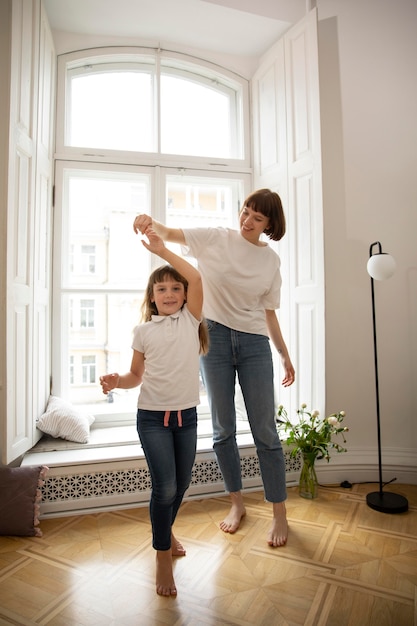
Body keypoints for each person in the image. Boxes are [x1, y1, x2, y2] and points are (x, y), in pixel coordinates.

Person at [133, 188, 295, 548]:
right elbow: (169, 233)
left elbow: (269, 313)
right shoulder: (216, 239)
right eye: (245, 211)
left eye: (257, 218)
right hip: (215, 340)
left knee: (265, 432)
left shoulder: (271, 262)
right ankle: (236, 504)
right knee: (223, 429)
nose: (246, 221)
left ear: (270, 224)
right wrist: (147, 222)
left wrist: (283, 354)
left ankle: (279, 512)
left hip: (254, 343)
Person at [100, 227, 208, 597]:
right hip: (153, 420)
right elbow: (135, 376)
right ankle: (162, 554)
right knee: (164, 488)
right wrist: (117, 381)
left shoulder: (192, 322)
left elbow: (194, 275)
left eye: (175, 289)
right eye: (161, 289)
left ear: (184, 296)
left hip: (186, 418)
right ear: (151, 297)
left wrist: (163, 251)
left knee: (181, 485)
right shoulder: (143, 331)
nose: (169, 293)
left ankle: (167, 530)